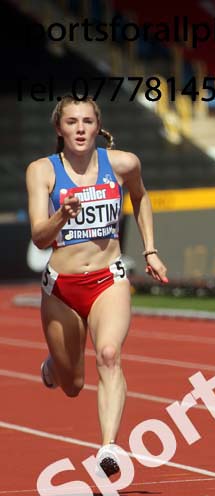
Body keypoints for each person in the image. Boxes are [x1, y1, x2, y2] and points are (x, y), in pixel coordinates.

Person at [26, 96, 168, 476]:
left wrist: (150, 250)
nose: (80, 128)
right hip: (62, 287)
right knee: (73, 383)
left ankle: (108, 448)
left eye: (87, 121)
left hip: (109, 279)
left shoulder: (123, 163)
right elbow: (40, 237)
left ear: (97, 125)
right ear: (59, 129)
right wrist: (62, 215)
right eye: (71, 122)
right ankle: (54, 367)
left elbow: (141, 198)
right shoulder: (42, 171)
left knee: (108, 354)